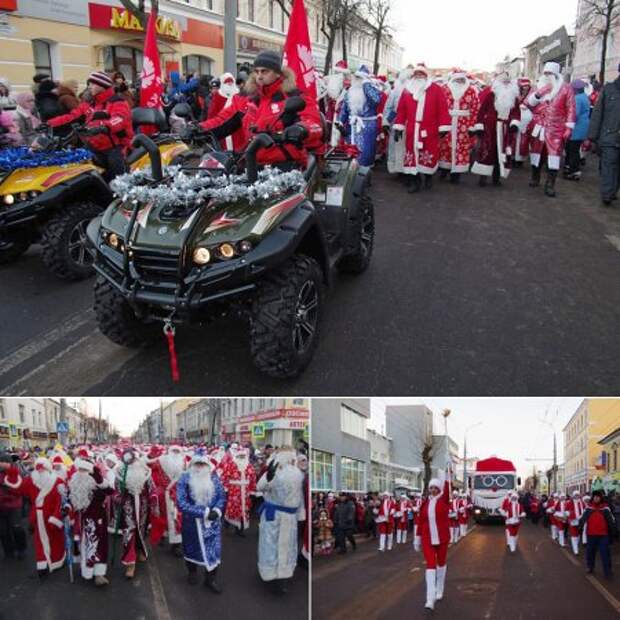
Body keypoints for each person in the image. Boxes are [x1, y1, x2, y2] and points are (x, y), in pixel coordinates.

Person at [200, 50, 323, 169]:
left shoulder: (294, 96)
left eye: (264, 71)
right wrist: (198, 128)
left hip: (286, 164)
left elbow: (314, 123)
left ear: (278, 73)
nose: (259, 76)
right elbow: (221, 120)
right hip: (250, 164)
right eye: (256, 72)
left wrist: (302, 129)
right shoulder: (246, 99)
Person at [48, 71, 134, 180]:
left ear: (102, 86)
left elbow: (119, 119)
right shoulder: (90, 103)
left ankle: (121, 192)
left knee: (117, 175)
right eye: (89, 84)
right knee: (79, 165)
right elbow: (72, 116)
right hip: (94, 145)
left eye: (93, 84)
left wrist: (103, 126)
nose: (89, 87)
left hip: (116, 146)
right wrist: (50, 123)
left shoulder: (117, 102)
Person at [1, 457, 66, 576]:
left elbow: (62, 502)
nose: (39, 471)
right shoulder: (31, 480)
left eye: (42, 468)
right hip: (38, 516)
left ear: (48, 468)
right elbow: (18, 488)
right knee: (39, 541)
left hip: (52, 516)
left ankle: (57, 561)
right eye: (37, 468)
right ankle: (42, 564)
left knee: (55, 540)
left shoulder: (58, 482)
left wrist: (56, 516)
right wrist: (11, 471)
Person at [393, 63, 451, 193]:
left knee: (428, 154)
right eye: (416, 74)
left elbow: (443, 109)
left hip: (429, 129)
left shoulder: (436, 89)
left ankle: (428, 176)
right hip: (412, 129)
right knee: (412, 156)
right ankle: (415, 181)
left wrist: (444, 127)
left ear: (426, 76)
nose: (418, 77)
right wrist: (399, 127)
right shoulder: (407, 90)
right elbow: (401, 110)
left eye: (421, 74)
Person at [176, 449, 226, 593]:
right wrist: (203, 512)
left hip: (212, 525)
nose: (199, 467)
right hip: (192, 524)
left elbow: (221, 497)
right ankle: (192, 572)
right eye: (197, 464)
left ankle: (210, 580)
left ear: (207, 465)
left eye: (202, 464)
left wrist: (216, 511)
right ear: (192, 464)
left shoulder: (213, 477)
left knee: (214, 553)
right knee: (191, 550)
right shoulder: (185, 478)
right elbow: (181, 503)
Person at [256, 448, 305, 593]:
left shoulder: (297, 474)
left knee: (287, 547)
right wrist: (268, 477)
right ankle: (269, 575)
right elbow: (260, 487)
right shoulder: (273, 471)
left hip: (289, 518)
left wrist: (300, 514)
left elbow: (300, 495)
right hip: (274, 516)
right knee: (270, 547)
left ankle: (282, 578)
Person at [527, 61, 576, 197]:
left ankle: (550, 185)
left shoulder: (566, 88)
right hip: (539, 125)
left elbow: (571, 108)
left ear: (556, 74)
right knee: (536, 154)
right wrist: (538, 94)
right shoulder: (537, 87)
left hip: (556, 128)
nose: (547, 76)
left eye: (550, 73)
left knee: (553, 157)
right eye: (545, 73)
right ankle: (535, 177)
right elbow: (528, 104)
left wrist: (569, 127)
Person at [67, 451, 114, 586]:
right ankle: (87, 570)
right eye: (80, 469)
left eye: (85, 469)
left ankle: (98, 574)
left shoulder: (96, 483)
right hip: (82, 521)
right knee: (85, 546)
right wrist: (66, 508)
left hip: (98, 519)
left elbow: (110, 491)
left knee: (98, 546)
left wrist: (100, 480)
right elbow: (69, 500)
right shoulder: (73, 483)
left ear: (90, 471)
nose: (82, 472)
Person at [470, 71, 521, 186]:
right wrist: (479, 126)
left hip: (505, 129)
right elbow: (481, 111)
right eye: (504, 82)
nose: (506, 84)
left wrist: (514, 124)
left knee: (502, 153)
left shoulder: (514, 98)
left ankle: (496, 177)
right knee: (487, 151)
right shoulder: (491, 95)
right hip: (490, 128)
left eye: (508, 82)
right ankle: (483, 177)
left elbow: (516, 113)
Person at [115, 450, 154, 579]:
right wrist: (118, 497)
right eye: (129, 460)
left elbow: (151, 488)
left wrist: (153, 499)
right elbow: (117, 490)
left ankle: (140, 550)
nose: (133, 462)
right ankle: (130, 563)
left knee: (141, 531)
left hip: (142, 506)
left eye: (134, 459)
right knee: (129, 532)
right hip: (127, 506)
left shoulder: (145, 471)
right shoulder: (120, 472)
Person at [439, 68, 480, 182]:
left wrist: (472, 126)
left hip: (464, 124)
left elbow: (476, 109)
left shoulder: (471, 91)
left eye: (461, 80)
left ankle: (457, 173)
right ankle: (444, 169)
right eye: (457, 80)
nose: (459, 82)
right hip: (448, 122)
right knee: (445, 146)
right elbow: (440, 107)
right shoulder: (444, 89)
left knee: (461, 148)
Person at [337, 65, 382, 167]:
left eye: (360, 78)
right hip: (351, 126)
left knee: (365, 152)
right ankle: (351, 172)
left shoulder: (372, 90)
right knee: (351, 151)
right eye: (356, 77)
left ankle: (365, 173)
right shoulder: (350, 91)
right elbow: (344, 108)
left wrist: (366, 84)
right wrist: (340, 121)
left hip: (367, 126)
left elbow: (376, 100)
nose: (357, 80)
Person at [588, 63, 620, 206]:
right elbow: (597, 113)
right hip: (609, 137)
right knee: (608, 166)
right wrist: (592, 137)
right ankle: (607, 194)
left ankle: (612, 191)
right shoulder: (609, 89)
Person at [418, 478, 451, 612]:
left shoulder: (444, 500)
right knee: (430, 565)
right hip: (427, 538)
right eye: (431, 488)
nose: (432, 490)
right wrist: (417, 537)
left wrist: (448, 477)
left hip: (442, 538)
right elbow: (420, 520)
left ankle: (439, 588)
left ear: (439, 489)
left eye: (435, 488)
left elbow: (448, 488)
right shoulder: (425, 503)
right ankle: (430, 598)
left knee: (441, 563)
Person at [150, 444, 185, 555]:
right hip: (163, 494)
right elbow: (149, 466)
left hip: (177, 495)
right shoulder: (161, 460)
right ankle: (163, 536)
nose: (175, 453)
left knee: (177, 518)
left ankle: (176, 545)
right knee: (162, 517)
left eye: (177, 451)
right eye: (173, 451)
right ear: (169, 451)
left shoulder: (183, 463)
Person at [579, 489, 618, 579]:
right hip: (591, 535)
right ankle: (590, 567)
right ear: (593, 498)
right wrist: (580, 526)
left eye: (598, 497)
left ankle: (607, 571)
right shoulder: (589, 508)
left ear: (601, 498)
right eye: (595, 496)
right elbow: (583, 519)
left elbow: (611, 521)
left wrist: (614, 532)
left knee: (605, 553)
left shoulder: (605, 508)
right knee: (590, 553)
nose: (596, 498)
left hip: (603, 535)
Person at [219, 446, 256, 536]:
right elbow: (224, 476)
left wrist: (252, 491)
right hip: (234, 491)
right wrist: (226, 489)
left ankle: (240, 529)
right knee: (233, 509)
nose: (242, 458)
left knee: (244, 510)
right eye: (240, 456)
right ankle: (228, 522)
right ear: (237, 456)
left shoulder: (249, 466)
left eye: (243, 456)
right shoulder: (231, 464)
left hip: (245, 492)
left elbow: (253, 478)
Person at [384, 66, 413, 174]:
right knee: (395, 146)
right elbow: (388, 106)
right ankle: (397, 169)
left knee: (409, 147)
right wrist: (386, 121)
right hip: (397, 122)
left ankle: (408, 170)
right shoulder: (395, 91)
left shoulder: (418, 92)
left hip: (411, 123)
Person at [0, 453, 27, 560]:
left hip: (14, 506)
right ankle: (8, 552)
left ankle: (21, 549)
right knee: (3, 531)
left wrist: (5, 486)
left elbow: (18, 489)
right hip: (1, 507)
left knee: (17, 528)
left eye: (3, 461)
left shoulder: (15, 472)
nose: (1, 463)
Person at [564, 79, 590, 180]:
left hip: (576, 128)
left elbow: (574, 114)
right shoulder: (584, 97)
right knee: (575, 149)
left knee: (572, 149)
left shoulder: (577, 98)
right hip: (582, 127)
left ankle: (574, 171)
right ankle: (572, 168)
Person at [513, 77, 533, 166]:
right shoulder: (517, 93)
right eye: (524, 86)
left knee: (523, 140)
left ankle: (520, 159)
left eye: (527, 86)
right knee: (515, 139)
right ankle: (514, 157)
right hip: (517, 119)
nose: (525, 88)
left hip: (527, 120)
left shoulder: (532, 94)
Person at [567, 490, 586, 555]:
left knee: (578, 535)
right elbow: (566, 511)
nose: (577, 496)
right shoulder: (569, 502)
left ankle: (576, 546)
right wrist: (569, 515)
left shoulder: (582, 502)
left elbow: (585, 510)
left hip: (580, 520)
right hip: (573, 521)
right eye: (575, 495)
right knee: (574, 534)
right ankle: (575, 550)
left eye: (578, 495)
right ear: (573, 496)